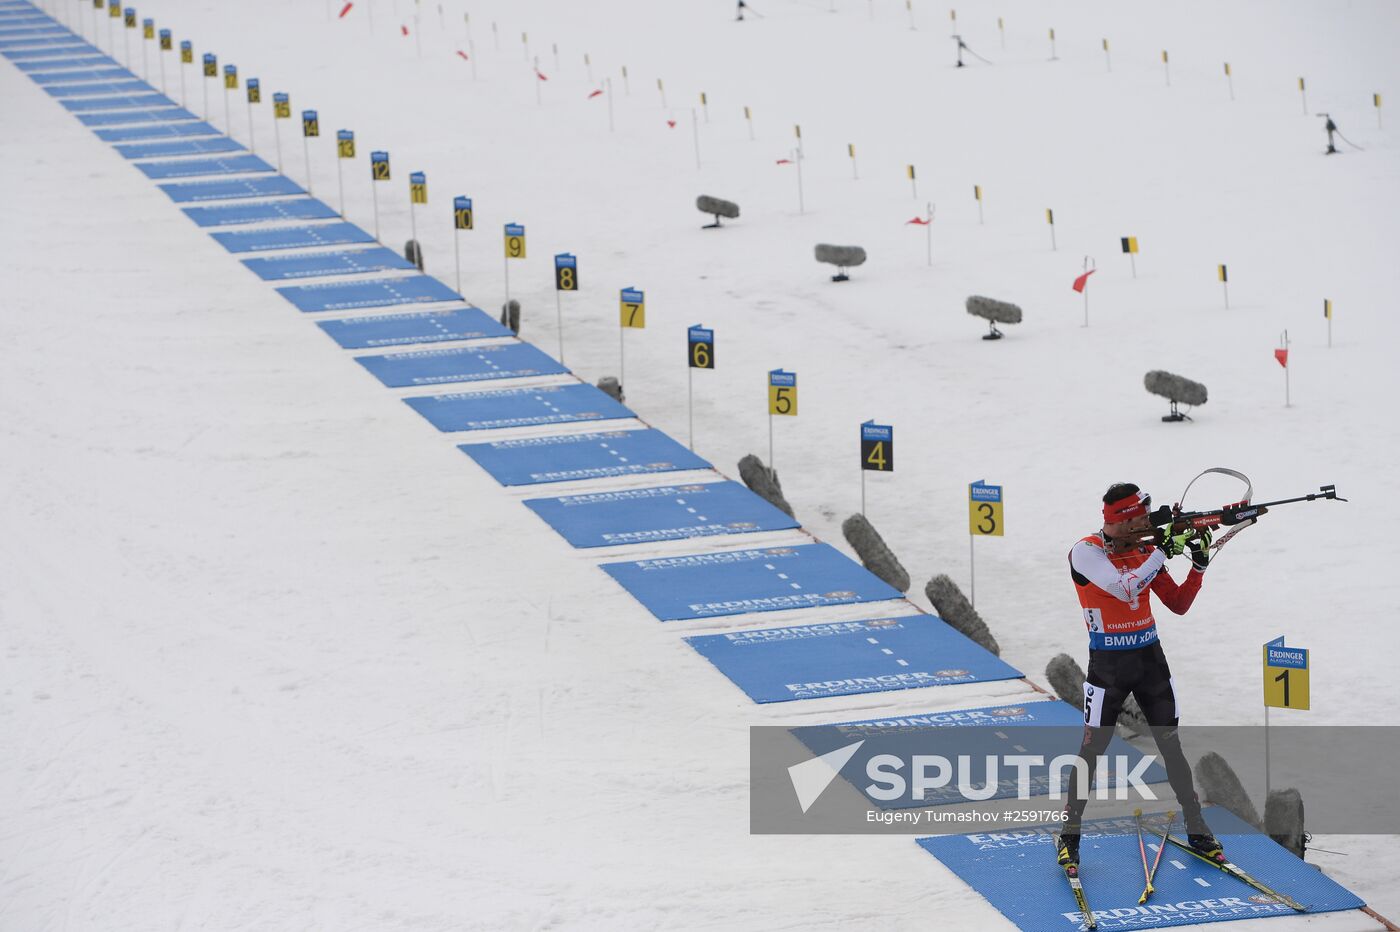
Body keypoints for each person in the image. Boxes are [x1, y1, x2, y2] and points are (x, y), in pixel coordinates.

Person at [1054, 482, 1222, 872]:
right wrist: (1162, 550)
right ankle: (1069, 837)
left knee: (1171, 746)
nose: (1148, 523)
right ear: (1123, 520)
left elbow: (1178, 604)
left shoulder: (1144, 548)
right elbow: (1125, 585)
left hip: (1149, 659)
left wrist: (1197, 566)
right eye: (1141, 518)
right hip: (1108, 667)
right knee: (1092, 750)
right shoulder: (1086, 551)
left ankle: (1197, 829)